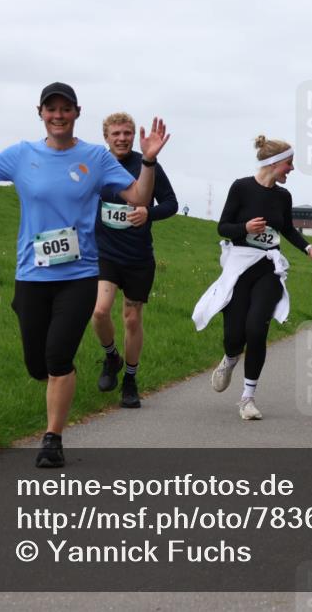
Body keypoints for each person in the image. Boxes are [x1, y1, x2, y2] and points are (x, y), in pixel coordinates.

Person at [0, 83, 168, 467]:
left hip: (80, 274)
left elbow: (137, 197)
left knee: (57, 358)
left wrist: (148, 162)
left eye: (65, 109)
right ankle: (67, 379)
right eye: (51, 109)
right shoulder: (22, 155)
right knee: (37, 364)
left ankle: (52, 439)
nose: (58, 115)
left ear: (76, 113)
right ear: (40, 113)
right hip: (32, 275)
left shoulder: (96, 158)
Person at [192, 136, 312, 420]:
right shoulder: (241, 188)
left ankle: (247, 398)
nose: (291, 169)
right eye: (289, 164)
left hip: (268, 268)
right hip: (240, 267)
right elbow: (223, 228)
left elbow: (287, 229)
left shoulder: (282, 196)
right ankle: (229, 359)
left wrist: (310, 249)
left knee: (257, 330)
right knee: (234, 336)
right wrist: (245, 227)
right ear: (274, 163)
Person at [93, 112, 178, 409]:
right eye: (115, 133)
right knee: (100, 312)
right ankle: (110, 356)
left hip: (138, 257)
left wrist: (148, 213)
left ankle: (130, 379)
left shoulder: (147, 164)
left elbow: (171, 203)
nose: (121, 138)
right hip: (105, 253)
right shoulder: (96, 164)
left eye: (127, 133)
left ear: (133, 135)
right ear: (106, 137)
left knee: (131, 318)